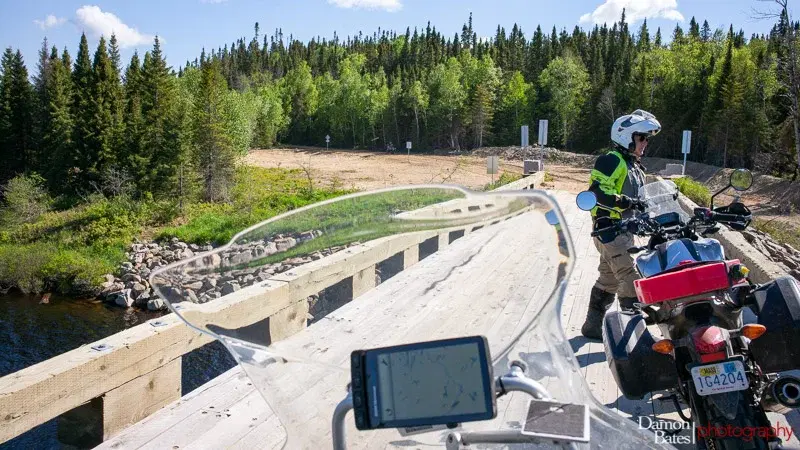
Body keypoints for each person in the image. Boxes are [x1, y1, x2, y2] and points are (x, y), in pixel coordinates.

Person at [580, 110, 661, 340]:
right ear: (626, 136)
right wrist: (625, 201)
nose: (645, 143)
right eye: (641, 137)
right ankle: (632, 335)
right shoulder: (611, 160)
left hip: (622, 231)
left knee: (609, 278)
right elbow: (597, 192)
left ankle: (592, 327)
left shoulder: (634, 165)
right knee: (630, 277)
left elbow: (642, 198)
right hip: (611, 230)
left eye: (647, 138)